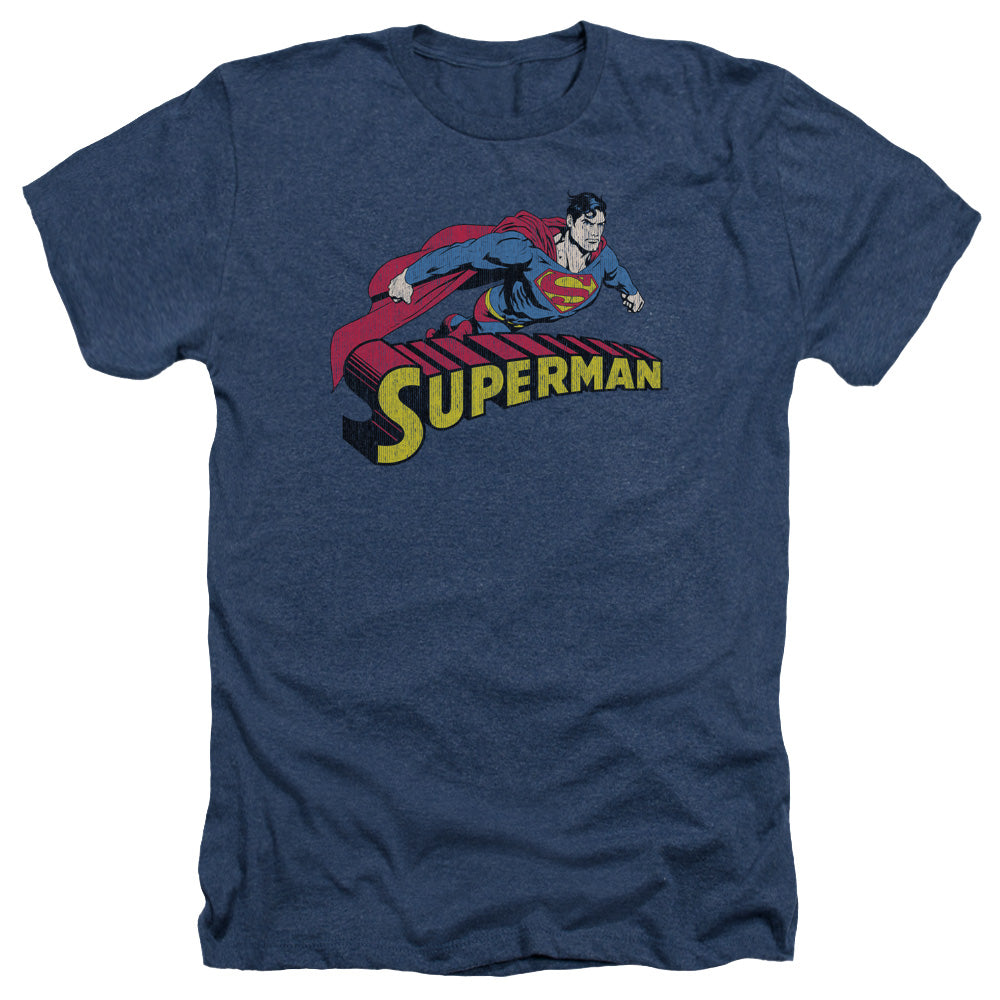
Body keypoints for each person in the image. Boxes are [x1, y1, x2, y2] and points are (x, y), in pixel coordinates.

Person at [388, 192, 644, 337]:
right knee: (491, 352)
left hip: (520, 322)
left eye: (600, 225)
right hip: (495, 313)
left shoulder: (603, 258)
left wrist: (632, 292)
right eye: (587, 224)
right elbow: (466, 253)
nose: (594, 234)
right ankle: (456, 333)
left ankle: (456, 324)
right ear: (570, 221)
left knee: (477, 334)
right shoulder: (527, 249)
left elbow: (617, 273)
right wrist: (409, 277)